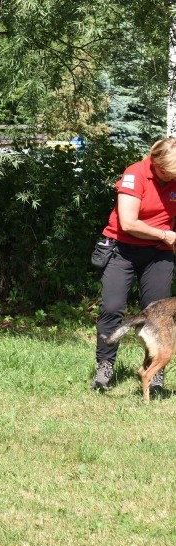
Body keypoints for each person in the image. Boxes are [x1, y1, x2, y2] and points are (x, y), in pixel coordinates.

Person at [92, 137, 176, 396]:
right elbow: (128, 222)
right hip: (123, 250)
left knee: (158, 313)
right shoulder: (135, 174)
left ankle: (156, 372)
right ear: (156, 164)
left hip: (158, 255)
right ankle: (105, 367)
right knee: (112, 307)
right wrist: (164, 234)